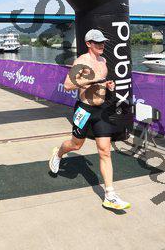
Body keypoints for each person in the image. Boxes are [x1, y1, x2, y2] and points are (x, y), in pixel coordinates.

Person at [49, 29, 131, 210]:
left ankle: (110, 195)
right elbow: (67, 85)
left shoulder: (103, 61)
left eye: (103, 42)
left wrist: (108, 85)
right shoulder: (81, 62)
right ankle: (58, 154)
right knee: (75, 145)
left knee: (105, 151)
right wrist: (91, 81)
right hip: (84, 109)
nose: (102, 45)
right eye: (97, 42)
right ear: (88, 44)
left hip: (101, 110)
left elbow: (101, 82)